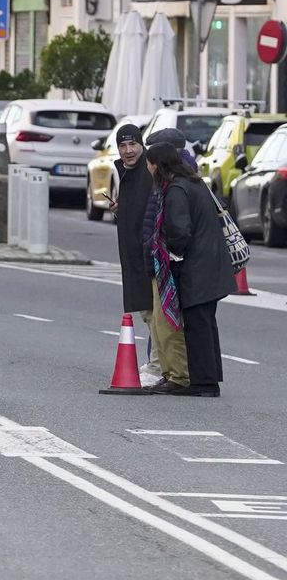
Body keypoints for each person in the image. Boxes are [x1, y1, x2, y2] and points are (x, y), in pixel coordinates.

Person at [146, 142, 232, 397]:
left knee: (196, 324)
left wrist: (175, 254)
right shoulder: (194, 182)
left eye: (149, 164)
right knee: (205, 323)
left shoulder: (176, 190)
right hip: (212, 262)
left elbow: (179, 230)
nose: (148, 169)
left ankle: (203, 384)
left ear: (158, 165)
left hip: (198, 265)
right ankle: (208, 378)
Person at [112, 125, 187, 390]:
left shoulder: (147, 172)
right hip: (136, 252)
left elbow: (155, 213)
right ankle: (159, 364)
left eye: (133, 145)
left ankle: (159, 366)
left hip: (150, 254)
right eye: (122, 146)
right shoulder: (130, 172)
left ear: (142, 147)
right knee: (148, 312)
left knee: (156, 313)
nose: (128, 150)